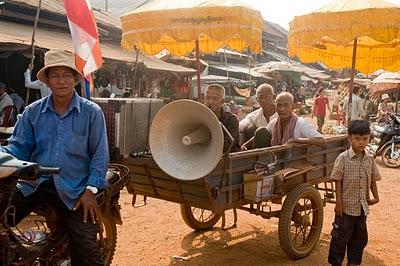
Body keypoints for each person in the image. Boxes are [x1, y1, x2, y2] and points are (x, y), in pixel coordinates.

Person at [0, 50, 109, 265]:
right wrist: (3, 158)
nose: (61, 81)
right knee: (4, 218)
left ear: (75, 79)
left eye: (66, 75)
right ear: (47, 81)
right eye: (55, 76)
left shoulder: (92, 113)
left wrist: (90, 190)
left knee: (87, 252)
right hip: (35, 184)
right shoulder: (32, 112)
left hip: (75, 188)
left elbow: (100, 156)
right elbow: (19, 147)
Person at [328, 120, 381, 266]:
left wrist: (376, 197)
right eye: (357, 138)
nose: (361, 142)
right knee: (339, 239)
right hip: (345, 209)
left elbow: (372, 180)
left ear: (369, 138)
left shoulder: (370, 160)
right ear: (349, 138)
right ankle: (335, 263)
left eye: (365, 139)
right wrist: (339, 202)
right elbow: (337, 180)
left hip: (362, 209)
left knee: (359, 239)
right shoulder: (343, 158)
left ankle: (354, 263)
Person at [204, 84, 240, 153]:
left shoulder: (232, 120)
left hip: (230, 159)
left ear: (222, 101)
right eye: (208, 97)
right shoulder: (199, 117)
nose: (210, 102)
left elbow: (226, 145)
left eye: (215, 98)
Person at [240, 84, 277, 150]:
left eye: (267, 97)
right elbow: (241, 125)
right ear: (257, 99)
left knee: (262, 131)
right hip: (262, 151)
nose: (263, 100)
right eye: (260, 97)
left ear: (274, 97)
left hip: (279, 148)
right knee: (250, 128)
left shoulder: (282, 112)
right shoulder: (254, 115)